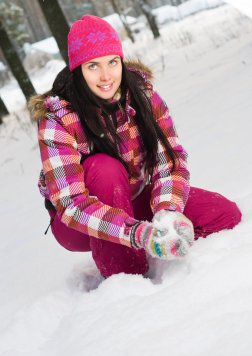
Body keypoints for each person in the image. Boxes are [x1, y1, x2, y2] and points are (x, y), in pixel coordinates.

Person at [29, 15, 242, 278]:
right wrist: (137, 233)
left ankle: (151, 244)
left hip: (133, 197)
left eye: (112, 62)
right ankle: (127, 277)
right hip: (76, 221)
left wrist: (167, 212)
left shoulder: (143, 96)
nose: (106, 76)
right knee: (103, 168)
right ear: (78, 70)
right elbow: (72, 205)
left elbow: (171, 160)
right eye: (93, 66)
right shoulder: (58, 119)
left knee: (223, 215)